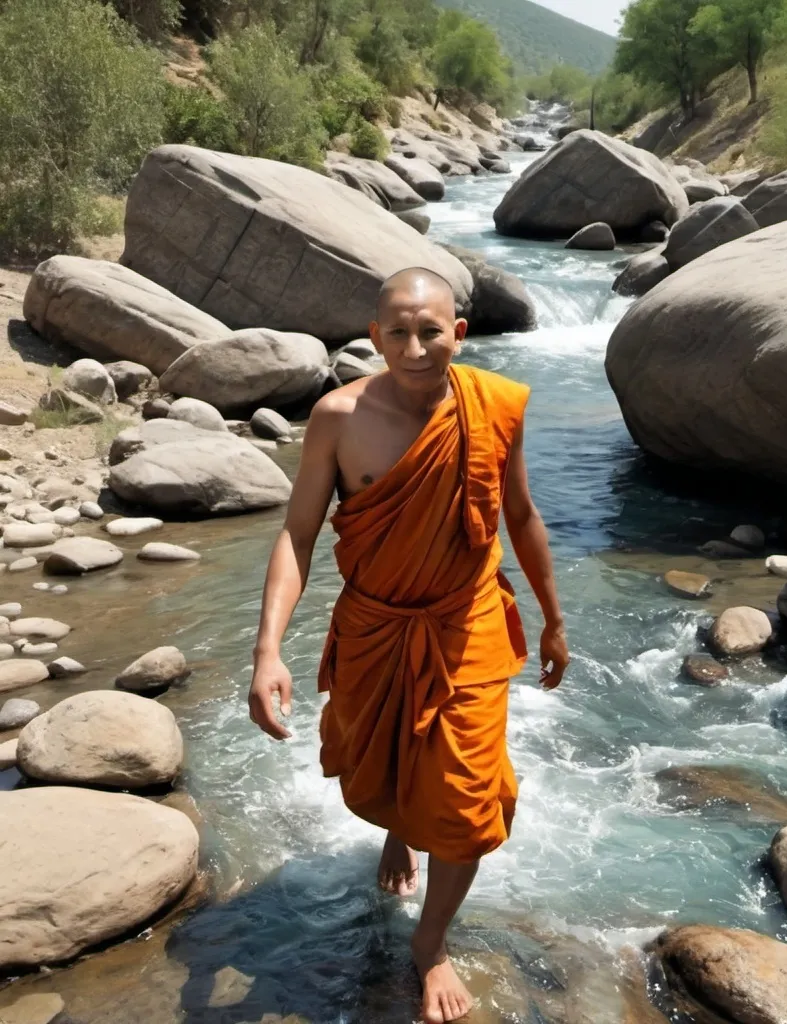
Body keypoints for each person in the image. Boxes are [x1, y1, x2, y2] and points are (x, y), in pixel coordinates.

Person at [248, 267, 570, 1024]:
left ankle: (432, 942)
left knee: (467, 799)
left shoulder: (495, 406)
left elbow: (519, 516)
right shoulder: (338, 416)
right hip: (376, 625)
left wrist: (554, 617)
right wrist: (268, 650)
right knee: (384, 757)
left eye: (432, 331)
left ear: (459, 332)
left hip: (467, 624)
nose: (417, 347)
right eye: (399, 332)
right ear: (374, 338)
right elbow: (297, 535)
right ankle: (399, 830)